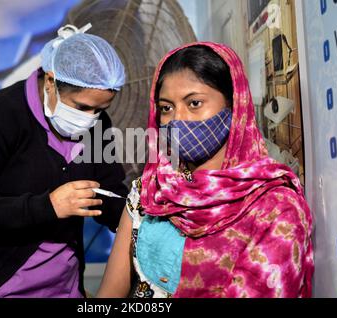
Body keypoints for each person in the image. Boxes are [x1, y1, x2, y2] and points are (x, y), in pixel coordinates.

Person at [97, 42, 314, 298]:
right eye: (166, 108)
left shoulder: (274, 206)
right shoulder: (150, 191)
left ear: (234, 104)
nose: (178, 119)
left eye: (195, 103)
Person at [0, 24, 128, 298]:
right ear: (50, 82)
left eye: (100, 109)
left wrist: (137, 221)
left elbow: (108, 192)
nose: (90, 118)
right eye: (82, 107)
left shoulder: (97, 126)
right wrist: (47, 206)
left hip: (63, 289)